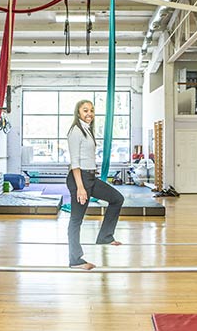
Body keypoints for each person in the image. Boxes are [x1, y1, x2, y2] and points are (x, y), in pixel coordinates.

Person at [66, 100, 124, 270]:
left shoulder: (87, 130)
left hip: (90, 177)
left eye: (91, 110)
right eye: (85, 110)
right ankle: (75, 260)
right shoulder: (75, 131)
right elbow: (75, 162)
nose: (89, 113)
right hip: (80, 179)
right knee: (76, 219)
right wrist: (81, 188)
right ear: (78, 113)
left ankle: (105, 236)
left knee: (116, 199)